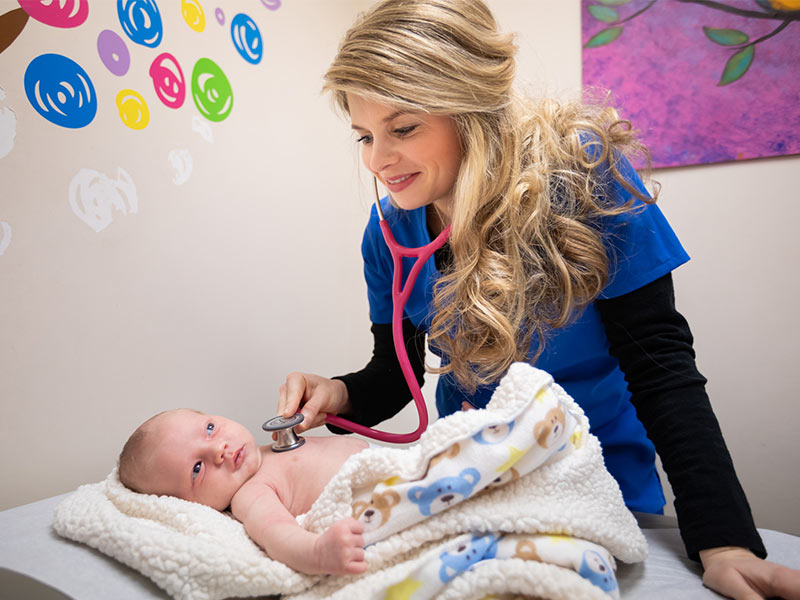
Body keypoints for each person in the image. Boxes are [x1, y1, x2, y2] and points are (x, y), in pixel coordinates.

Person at [278, 1, 800, 598]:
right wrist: (338, 393)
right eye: (365, 135)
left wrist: (723, 539)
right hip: (467, 486)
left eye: (403, 128)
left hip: (593, 477)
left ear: (473, 109)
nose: (377, 160)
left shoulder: (586, 177)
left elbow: (661, 367)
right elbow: (396, 376)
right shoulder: (388, 234)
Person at [117, 409, 369, 576]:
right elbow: (277, 534)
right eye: (197, 468)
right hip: (379, 495)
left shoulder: (273, 446)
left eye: (209, 429)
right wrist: (318, 552)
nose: (219, 448)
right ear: (192, 503)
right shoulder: (251, 494)